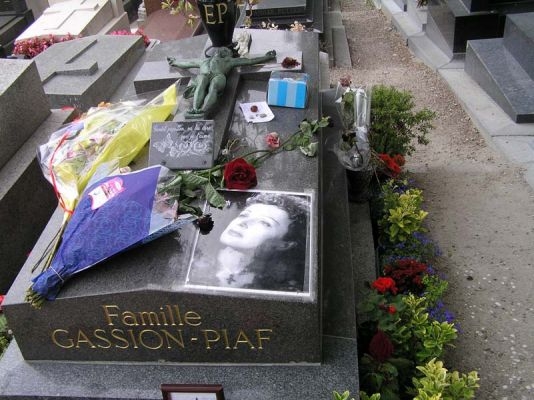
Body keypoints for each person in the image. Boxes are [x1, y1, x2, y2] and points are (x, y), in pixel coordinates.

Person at [187, 191, 310, 292]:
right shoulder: (191, 262)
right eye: (244, 215)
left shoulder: (282, 288)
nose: (243, 223)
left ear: (285, 244)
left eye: (264, 222)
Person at [167, 48, 276, 118]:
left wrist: (267, 57)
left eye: (226, 51)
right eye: (223, 49)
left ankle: (203, 110)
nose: (223, 50)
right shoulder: (203, 61)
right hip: (204, 75)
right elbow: (188, 63)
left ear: (227, 55)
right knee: (201, 82)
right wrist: (174, 62)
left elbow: (249, 61)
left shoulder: (229, 61)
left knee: (213, 86)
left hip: (218, 76)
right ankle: (195, 109)